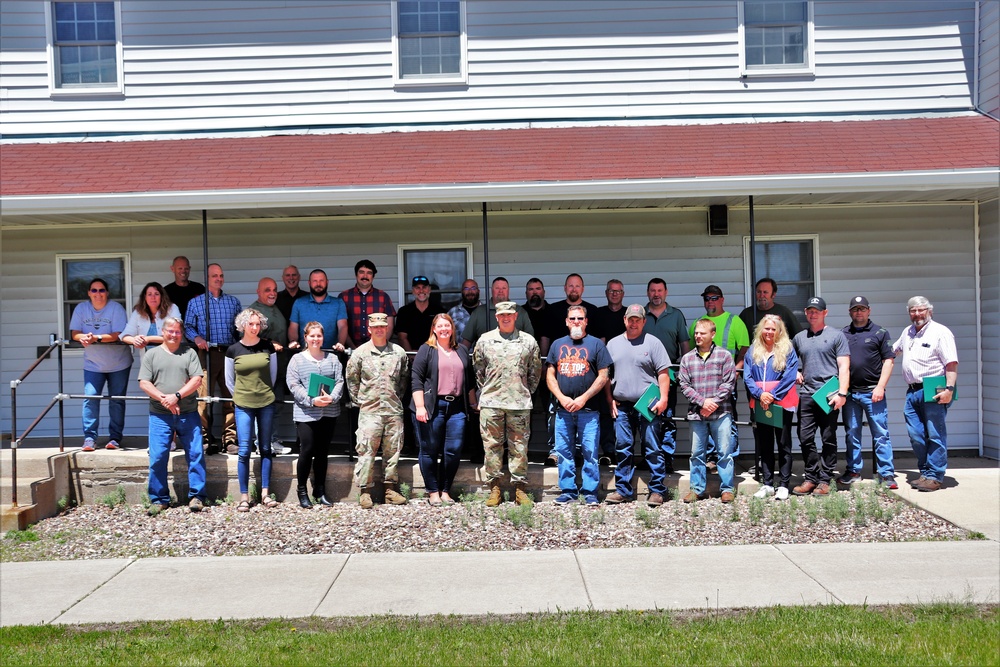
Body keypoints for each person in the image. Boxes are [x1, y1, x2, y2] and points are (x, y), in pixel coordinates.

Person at [472, 301, 542, 507]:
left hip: (519, 402)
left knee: (519, 447)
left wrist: (523, 390)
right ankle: (495, 489)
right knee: (492, 447)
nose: (505, 318)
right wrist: (490, 390)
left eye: (509, 315)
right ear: (496, 317)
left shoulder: (528, 341)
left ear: (516, 316)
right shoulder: (484, 341)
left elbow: (535, 372)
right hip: (492, 402)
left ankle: (520, 489)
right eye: (501, 314)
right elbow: (478, 371)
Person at [136, 316, 206, 514]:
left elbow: (197, 380)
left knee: (195, 454)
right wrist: (164, 400)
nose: (174, 335)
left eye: (177, 331)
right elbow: (144, 382)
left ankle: (197, 496)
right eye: (170, 331)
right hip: (160, 415)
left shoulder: (189, 352)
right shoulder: (152, 355)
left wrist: (176, 396)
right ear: (163, 332)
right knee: (158, 456)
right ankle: (159, 499)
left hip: (188, 413)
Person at [604, 304, 672, 506]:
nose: (633, 323)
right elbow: (606, 375)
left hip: (648, 405)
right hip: (622, 406)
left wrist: (664, 399)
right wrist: (610, 400)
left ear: (644, 321)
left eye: (638, 320)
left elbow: (663, 373)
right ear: (624, 320)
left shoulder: (653, 343)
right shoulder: (613, 344)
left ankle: (657, 491)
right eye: (630, 319)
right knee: (623, 448)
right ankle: (623, 490)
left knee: (652, 448)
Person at [891, 296, 958, 493]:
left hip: (934, 386)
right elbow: (893, 351)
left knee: (935, 433)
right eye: (913, 310)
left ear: (930, 311)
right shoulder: (908, 332)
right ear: (908, 312)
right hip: (912, 390)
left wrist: (949, 390)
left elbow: (951, 363)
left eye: (921, 310)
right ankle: (925, 472)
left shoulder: (941, 332)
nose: (917, 314)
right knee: (916, 435)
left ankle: (935, 476)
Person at [547, 305, 611, 506]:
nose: (576, 321)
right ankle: (567, 490)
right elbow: (549, 375)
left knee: (590, 452)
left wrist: (584, 397)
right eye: (572, 318)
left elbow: (603, 375)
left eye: (580, 318)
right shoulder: (557, 345)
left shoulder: (596, 345)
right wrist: (560, 397)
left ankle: (589, 492)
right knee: (564, 451)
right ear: (566, 321)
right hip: (563, 410)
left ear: (586, 321)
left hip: (589, 410)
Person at [346, 313, 410, 508]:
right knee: (366, 450)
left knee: (393, 451)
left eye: (383, 326)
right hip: (370, 411)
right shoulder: (360, 353)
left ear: (387, 328)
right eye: (376, 327)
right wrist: (362, 401)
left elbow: (403, 380)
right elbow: (352, 380)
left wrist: (394, 398)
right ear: (369, 329)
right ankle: (365, 491)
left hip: (392, 410)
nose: (380, 330)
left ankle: (390, 490)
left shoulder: (398, 353)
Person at [411, 313, 473, 506]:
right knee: (429, 449)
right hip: (432, 406)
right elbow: (416, 379)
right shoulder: (426, 350)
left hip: (456, 408)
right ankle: (432, 492)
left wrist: (472, 403)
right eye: (440, 326)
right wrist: (420, 406)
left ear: (452, 329)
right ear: (434, 329)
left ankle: (445, 490)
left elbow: (469, 381)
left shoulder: (461, 350)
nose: (444, 329)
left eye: (448, 325)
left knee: (453, 450)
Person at [791, 297, 850, 496]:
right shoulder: (799, 338)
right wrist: (796, 372)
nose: (813, 314)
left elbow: (844, 366)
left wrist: (842, 393)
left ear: (825, 313)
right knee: (805, 437)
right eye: (809, 310)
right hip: (807, 394)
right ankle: (811, 477)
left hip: (829, 394)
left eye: (817, 310)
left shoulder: (837, 335)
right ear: (806, 313)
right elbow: (791, 361)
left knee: (828, 438)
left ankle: (825, 480)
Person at [688, 285, 749, 468]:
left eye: (714, 298)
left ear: (722, 299)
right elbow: (692, 353)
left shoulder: (734, 321)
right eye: (707, 298)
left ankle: (729, 457)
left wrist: (736, 371)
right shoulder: (698, 323)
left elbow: (744, 349)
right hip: (702, 385)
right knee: (704, 422)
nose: (710, 302)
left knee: (727, 422)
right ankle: (710, 459)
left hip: (725, 383)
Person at [839, 296, 897, 489]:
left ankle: (886, 474)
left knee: (880, 434)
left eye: (862, 309)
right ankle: (854, 471)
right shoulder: (843, 334)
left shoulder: (880, 332)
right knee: (851, 433)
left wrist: (880, 387)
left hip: (874, 393)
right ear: (850, 312)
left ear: (869, 311)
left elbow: (888, 361)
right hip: (850, 395)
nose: (859, 312)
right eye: (855, 309)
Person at [184, 263, 242, 454]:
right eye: (215, 276)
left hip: (228, 353)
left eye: (221, 275)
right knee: (203, 398)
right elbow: (188, 327)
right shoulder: (197, 302)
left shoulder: (233, 302)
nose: (219, 278)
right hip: (206, 354)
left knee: (230, 398)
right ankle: (205, 439)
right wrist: (197, 338)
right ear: (207, 278)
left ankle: (230, 440)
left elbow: (238, 330)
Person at [678, 318, 738, 503]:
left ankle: (727, 489)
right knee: (696, 453)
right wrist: (703, 402)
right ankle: (697, 489)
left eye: (702, 333)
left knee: (724, 453)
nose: (697, 336)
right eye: (696, 333)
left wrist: (713, 403)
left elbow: (729, 383)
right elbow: (684, 384)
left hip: (721, 413)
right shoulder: (687, 358)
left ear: (712, 334)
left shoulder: (724, 356)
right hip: (697, 414)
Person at [70, 278, 133, 451]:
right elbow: (74, 332)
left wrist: (95, 338)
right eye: (94, 290)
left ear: (107, 292)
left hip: (119, 363)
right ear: (89, 293)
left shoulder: (116, 308)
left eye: (102, 290)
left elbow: (117, 334)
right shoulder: (81, 309)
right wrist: (82, 337)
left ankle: (115, 439)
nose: (98, 294)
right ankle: (90, 439)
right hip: (93, 364)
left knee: (117, 401)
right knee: (90, 399)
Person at [226, 308, 279, 512]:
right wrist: (241, 395)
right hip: (243, 404)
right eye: (251, 324)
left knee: (265, 448)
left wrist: (263, 392)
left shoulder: (267, 347)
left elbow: (273, 375)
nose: (255, 328)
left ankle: (265, 493)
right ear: (243, 326)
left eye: (258, 324)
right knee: (244, 450)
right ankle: (244, 496)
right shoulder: (233, 350)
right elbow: (229, 380)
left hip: (265, 402)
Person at [286, 321, 344, 508]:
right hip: (306, 413)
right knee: (307, 450)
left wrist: (332, 397)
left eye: (319, 336)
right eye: (312, 336)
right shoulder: (296, 359)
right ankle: (302, 490)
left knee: (322, 452)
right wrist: (311, 400)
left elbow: (339, 381)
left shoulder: (332, 359)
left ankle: (320, 489)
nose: (315, 339)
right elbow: (293, 385)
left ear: (323, 337)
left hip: (329, 410)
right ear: (305, 337)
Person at [744, 314, 799, 500]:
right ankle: (767, 483)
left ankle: (784, 485)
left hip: (781, 403)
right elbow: (747, 377)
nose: (769, 332)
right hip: (760, 403)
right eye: (766, 328)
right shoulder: (753, 350)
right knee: (765, 444)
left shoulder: (787, 349)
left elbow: (790, 376)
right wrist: (760, 395)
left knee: (784, 444)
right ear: (761, 330)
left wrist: (772, 396)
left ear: (779, 331)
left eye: (773, 329)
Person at [644, 278, 688, 473]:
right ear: (648, 293)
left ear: (666, 292)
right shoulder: (640, 314)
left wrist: (683, 372)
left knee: (667, 417)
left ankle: (667, 459)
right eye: (653, 291)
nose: (656, 294)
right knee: (646, 418)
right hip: (644, 374)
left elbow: (685, 346)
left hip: (669, 373)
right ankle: (650, 458)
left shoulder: (676, 315)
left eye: (659, 290)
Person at [249, 276, 294, 455]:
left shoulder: (275, 308)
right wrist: (269, 343)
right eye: (267, 290)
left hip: (279, 366)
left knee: (276, 405)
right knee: (264, 405)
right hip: (262, 368)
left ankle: (272, 439)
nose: (272, 293)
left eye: (274, 289)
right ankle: (263, 442)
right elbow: (248, 338)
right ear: (258, 292)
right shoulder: (254, 311)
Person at [592, 278, 627, 464]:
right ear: (606, 293)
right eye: (611, 291)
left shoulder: (628, 314)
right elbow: (598, 342)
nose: (614, 294)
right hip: (603, 367)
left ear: (623, 294)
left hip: (625, 368)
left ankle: (623, 450)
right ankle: (608, 451)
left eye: (618, 291)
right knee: (605, 410)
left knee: (623, 410)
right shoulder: (598, 314)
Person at [461, 277, 534, 348]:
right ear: (491, 290)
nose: (501, 291)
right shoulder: (478, 312)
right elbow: (466, 343)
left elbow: (531, 342)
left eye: (504, 288)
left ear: (508, 290)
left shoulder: (520, 312)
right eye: (497, 288)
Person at [340, 259, 396, 348]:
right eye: (361, 272)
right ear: (356, 275)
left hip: (377, 350)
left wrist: (379, 346)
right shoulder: (344, 297)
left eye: (369, 273)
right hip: (350, 350)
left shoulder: (383, 297)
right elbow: (341, 326)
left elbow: (389, 326)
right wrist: (353, 349)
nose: (365, 276)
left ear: (373, 277)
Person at [288, 269, 348, 350]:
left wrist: (340, 344)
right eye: (315, 281)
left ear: (327, 282)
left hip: (332, 354)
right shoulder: (299, 303)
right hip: (305, 354)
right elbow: (293, 327)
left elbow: (343, 326)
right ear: (309, 283)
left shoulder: (338, 303)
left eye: (321, 280)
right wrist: (293, 341)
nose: (318, 284)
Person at [121, 281, 182, 360]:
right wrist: (135, 340)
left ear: (162, 296)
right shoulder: (138, 312)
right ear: (145, 297)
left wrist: (148, 339)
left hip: (171, 358)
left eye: (156, 294)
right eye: (149, 294)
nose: (153, 297)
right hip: (147, 361)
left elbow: (175, 336)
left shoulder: (172, 309)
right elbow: (125, 335)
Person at [395, 276, 446, 351]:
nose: (421, 291)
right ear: (413, 291)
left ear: (429, 290)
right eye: (417, 288)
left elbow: (444, 336)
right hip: (412, 356)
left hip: (435, 355)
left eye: (424, 287)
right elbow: (402, 337)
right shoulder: (404, 311)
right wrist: (412, 356)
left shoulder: (439, 312)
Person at [164, 256, 205, 320]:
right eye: (180, 268)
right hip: (175, 328)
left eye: (186, 268)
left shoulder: (199, 288)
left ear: (189, 269)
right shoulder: (166, 291)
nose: (183, 271)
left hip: (197, 328)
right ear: (172, 269)